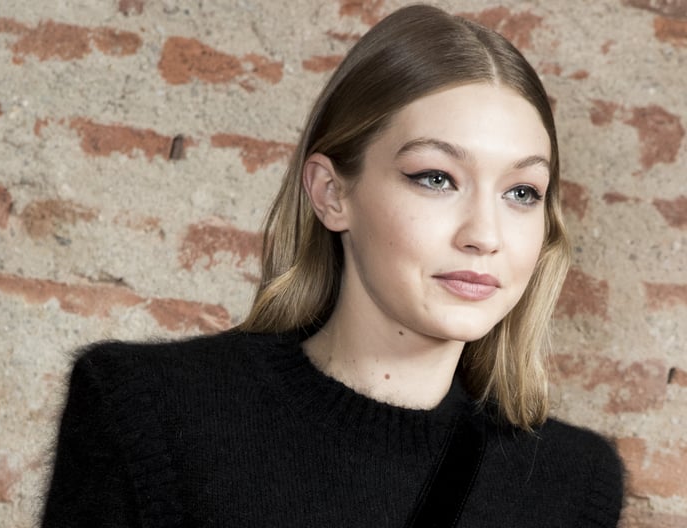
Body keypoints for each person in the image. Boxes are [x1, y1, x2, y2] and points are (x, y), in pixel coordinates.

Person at [41, 4, 625, 527]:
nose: (484, 236)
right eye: (436, 178)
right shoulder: (146, 411)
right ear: (331, 193)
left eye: (522, 192)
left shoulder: (572, 484)